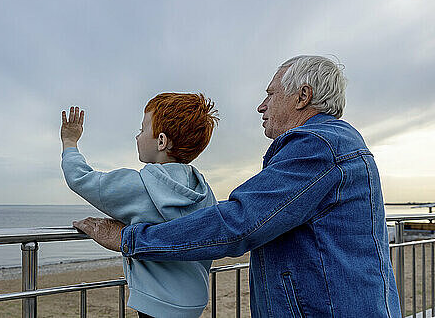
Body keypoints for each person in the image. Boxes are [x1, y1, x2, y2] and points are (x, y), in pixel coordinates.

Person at [73, 56, 402, 317]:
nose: (262, 106)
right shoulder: (337, 143)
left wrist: (129, 238)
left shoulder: (317, 146)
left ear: (303, 96)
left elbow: (237, 223)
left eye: (271, 95)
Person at [61, 93, 220, 318]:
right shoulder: (203, 190)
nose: (137, 137)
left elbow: (82, 179)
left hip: (156, 304)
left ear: (162, 141)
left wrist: (70, 143)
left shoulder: (143, 185)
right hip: (194, 301)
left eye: (142, 129)